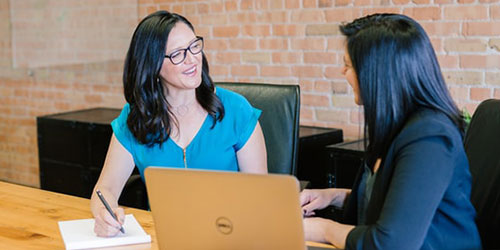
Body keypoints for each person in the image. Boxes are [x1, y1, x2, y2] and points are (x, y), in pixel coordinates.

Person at [300, 14, 482, 249]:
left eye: (348, 65)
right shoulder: (397, 125)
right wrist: (332, 196)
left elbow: (391, 244)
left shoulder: (430, 138)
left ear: (377, 73)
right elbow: (393, 200)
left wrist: (323, 229)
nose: (342, 72)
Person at [90, 10, 267, 237]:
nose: (192, 59)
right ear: (152, 65)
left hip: (229, 235)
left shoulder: (236, 110)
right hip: (164, 237)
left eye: (194, 46)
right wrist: (105, 216)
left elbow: (261, 196)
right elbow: (105, 189)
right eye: (177, 54)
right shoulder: (135, 119)